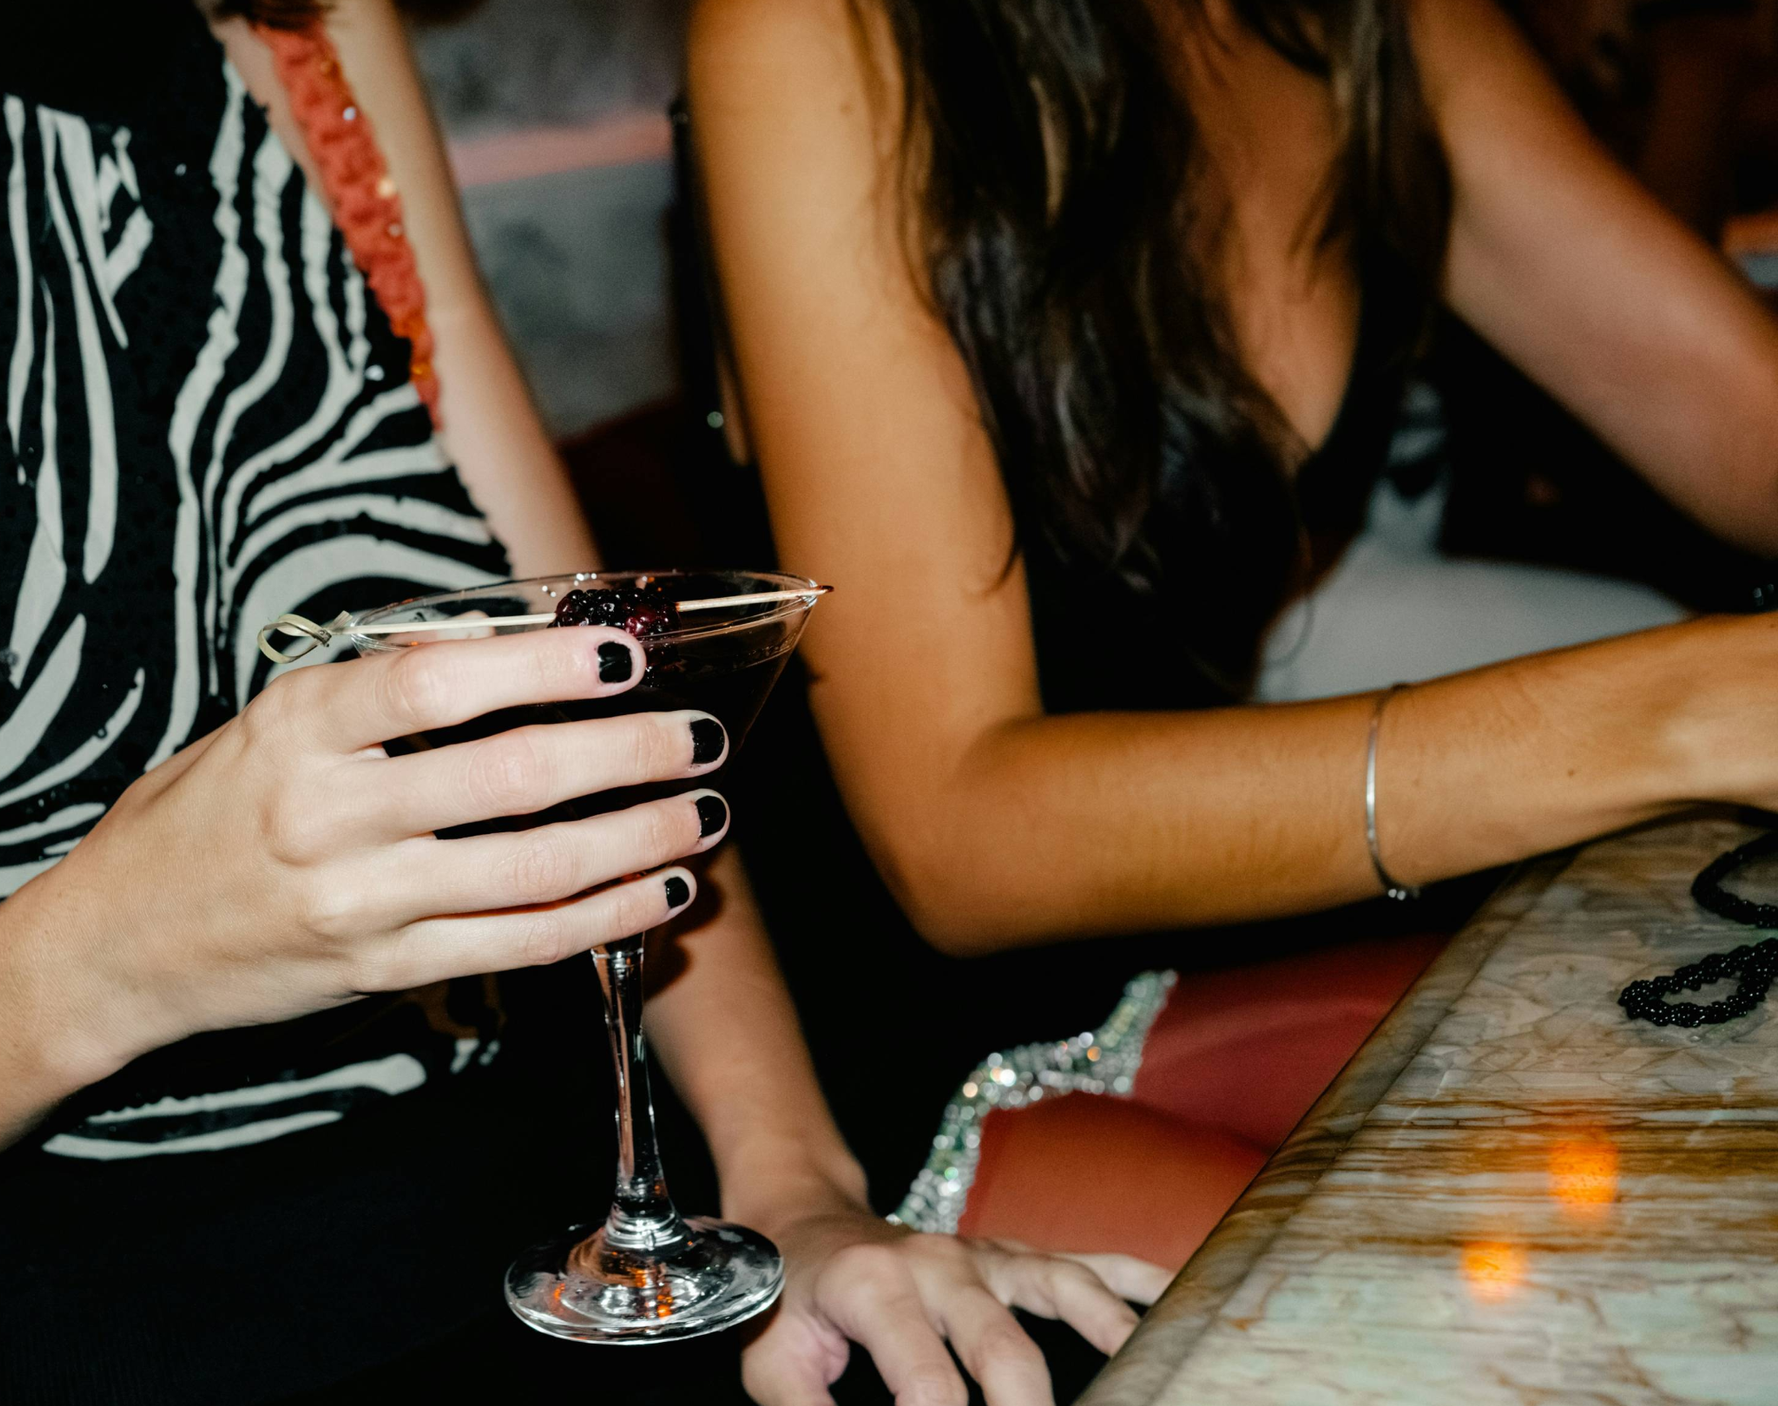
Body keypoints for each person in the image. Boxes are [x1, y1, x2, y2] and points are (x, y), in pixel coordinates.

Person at [0, 0, 1161, 1401]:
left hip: (558, 1263)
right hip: (69, 1361)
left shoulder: (304, 46)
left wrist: (790, 1197)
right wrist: (106, 955)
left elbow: (607, 697)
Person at [685, 0, 1778, 1268]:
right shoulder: (821, 33)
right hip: (849, 1065)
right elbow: (956, 834)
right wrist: (1678, 710)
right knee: (1569, 1297)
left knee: (1713, 1175)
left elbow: (1735, 412)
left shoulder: (1374, 26)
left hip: (1168, 956)